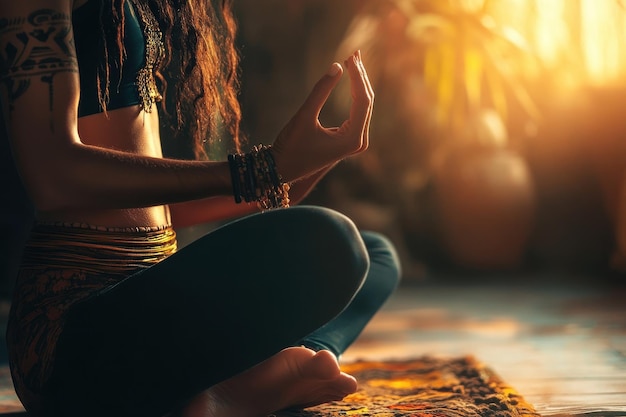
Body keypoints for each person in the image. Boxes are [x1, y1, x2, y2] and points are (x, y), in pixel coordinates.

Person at [0, 0, 401, 416]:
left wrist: (296, 171)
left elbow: (160, 213)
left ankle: (253, 379)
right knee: (330, 241)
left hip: (154, 306)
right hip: (74, 342)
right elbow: (53, 177)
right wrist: (258, 171)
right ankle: (246, 382)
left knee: (372, 253)